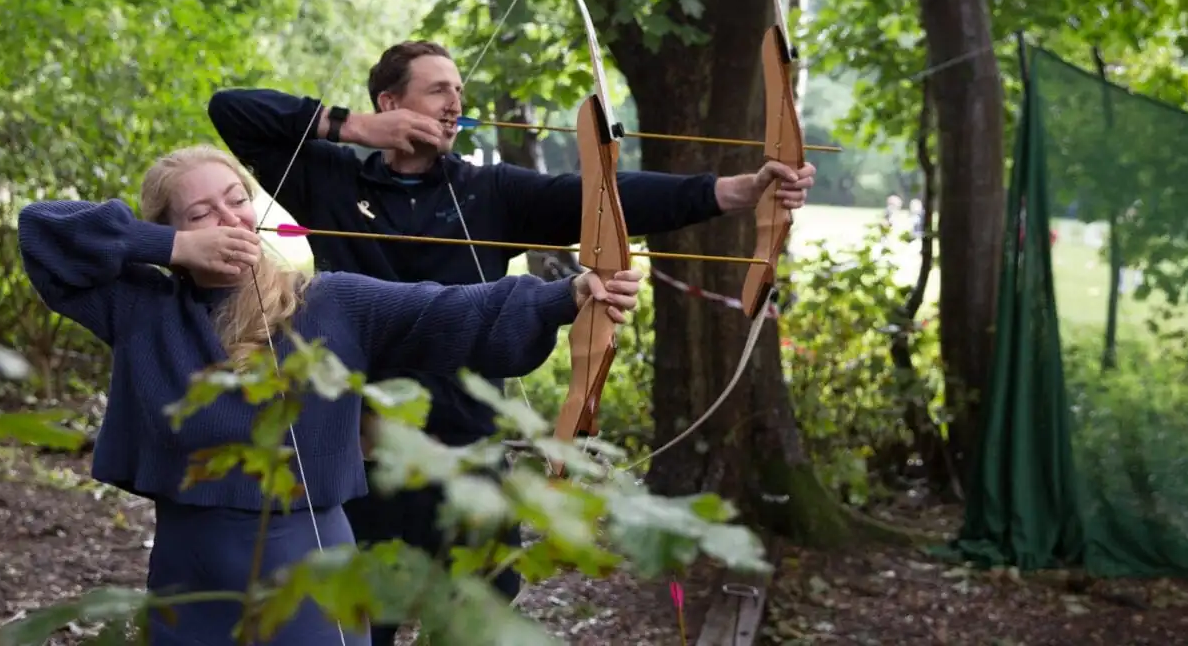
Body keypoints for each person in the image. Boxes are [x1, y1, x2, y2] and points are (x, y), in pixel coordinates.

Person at [208, 40, 817, 644]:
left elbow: (602, 194)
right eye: (438, 89)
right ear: (390, 102)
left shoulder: (488, 191)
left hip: (467, 450)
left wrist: (735, 192)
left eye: (459, 90)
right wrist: (353, 126)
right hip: (359, 454)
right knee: (359, 625)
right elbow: (231, 108)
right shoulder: (330, 179)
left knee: (479, 624)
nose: (455, 102)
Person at [17, 144, 642, 646]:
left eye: (236, 200)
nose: (229, 220)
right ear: (168, 231)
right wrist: (170, 250)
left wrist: (567, 296)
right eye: (200, 214)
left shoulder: (329, 302)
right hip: (190, 564)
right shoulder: (144, 309)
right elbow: (42, 230)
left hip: (308, 555)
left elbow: (451, 309)